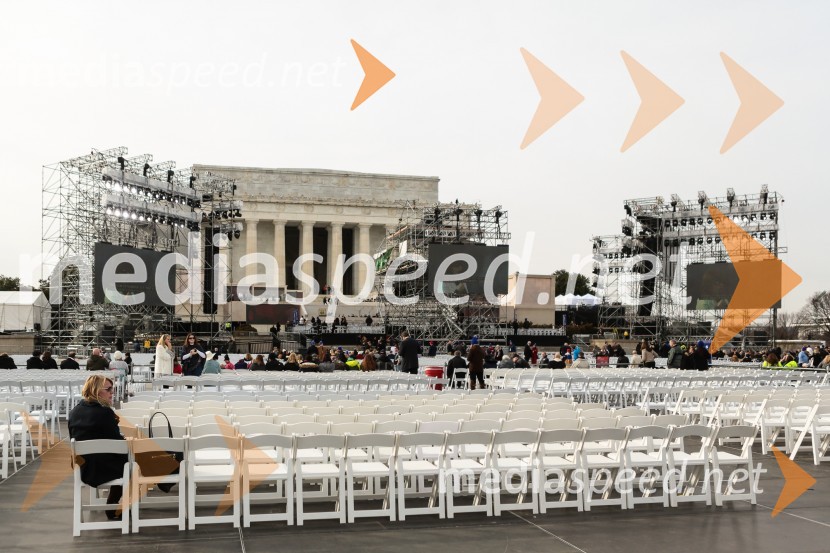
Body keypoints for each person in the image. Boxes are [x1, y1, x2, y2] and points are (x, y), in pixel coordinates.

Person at [67, 374, 128, 520]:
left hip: (84, 467)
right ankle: (113, 506)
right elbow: (117, 444)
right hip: (103, 468)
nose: (112, 392)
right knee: (133, 462)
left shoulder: (75, 411)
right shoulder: (105, 412)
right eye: (109, 389)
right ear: (96, 390)